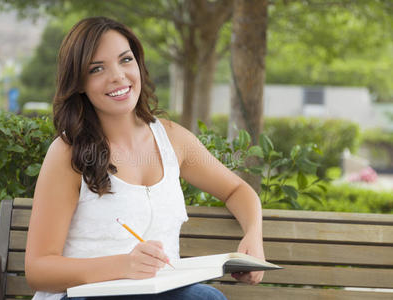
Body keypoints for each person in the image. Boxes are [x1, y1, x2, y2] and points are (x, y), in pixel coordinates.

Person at [25, 17, 265, 300]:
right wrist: (123, 265)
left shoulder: (173, 140)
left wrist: (253, 235)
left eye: (125, 60)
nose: (117, 76)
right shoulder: (68, 153)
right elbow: (38, 269)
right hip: (84, 295)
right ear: (79, 82)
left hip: (161, 292)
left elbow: (237, 190)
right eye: (97, 68)